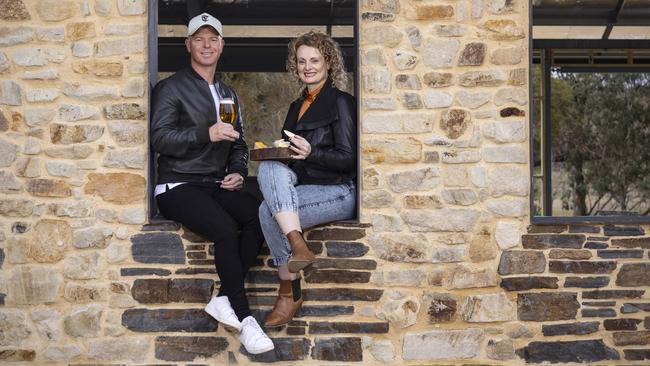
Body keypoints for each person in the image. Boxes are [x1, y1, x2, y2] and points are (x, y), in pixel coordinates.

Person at [151, 12, 274, 354]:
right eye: (199, 39)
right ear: (187, 44)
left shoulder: (227, 92)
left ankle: (222, 298)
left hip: (214, 184)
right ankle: (247, 320)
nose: (206, 45)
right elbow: (160, 139)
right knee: (225, 229)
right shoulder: (170, 87)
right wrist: (205, 133)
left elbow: (238, 143)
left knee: (260, 216)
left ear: (222, 46)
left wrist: (237, 169)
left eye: (213, 39)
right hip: (177, 185)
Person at [257, 31, 357, 327]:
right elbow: (289, 158)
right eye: (301, 61)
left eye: (314, 60)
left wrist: (311, 153)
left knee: (267, 211)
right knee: (268, 169)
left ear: (329, 62)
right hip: (305, 187)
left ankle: (289, 291)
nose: (307, 67)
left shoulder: (341, 102)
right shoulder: (295, 106)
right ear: (295, 65)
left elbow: (349, 159)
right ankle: (296, 243)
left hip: (338, 190)